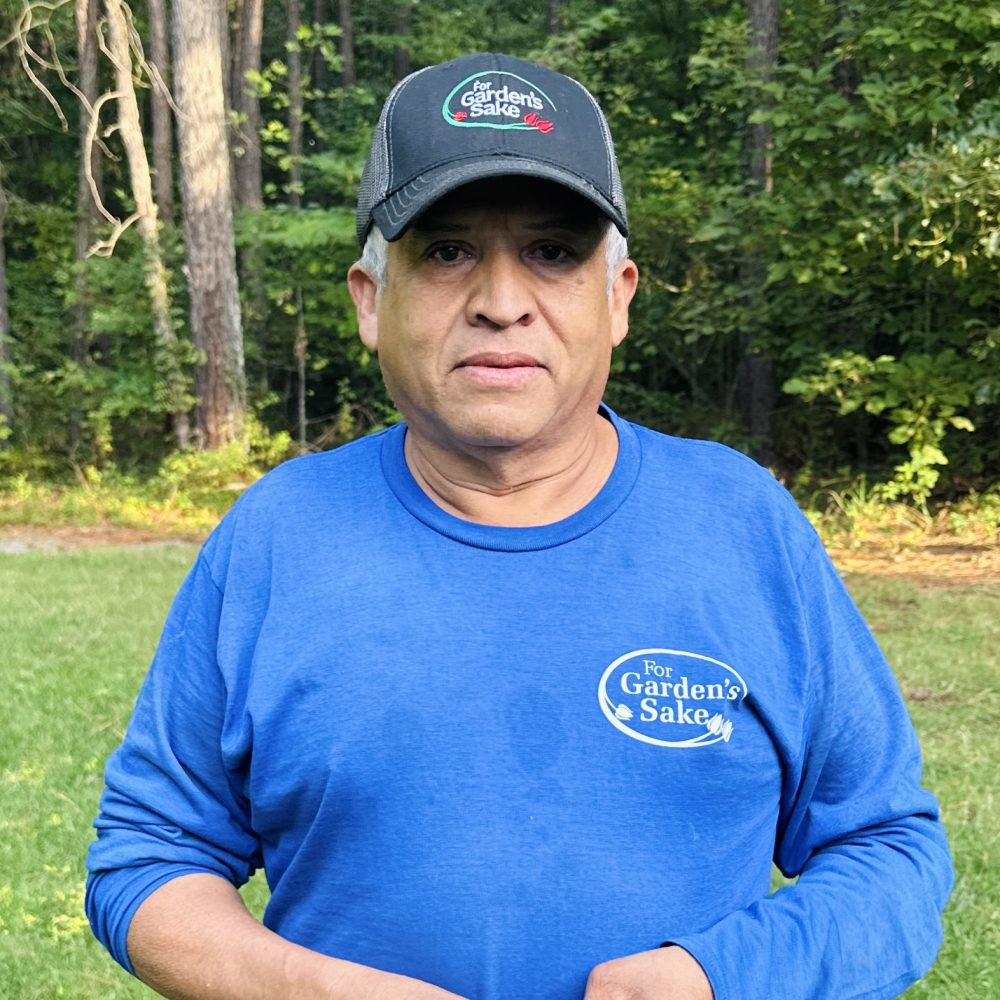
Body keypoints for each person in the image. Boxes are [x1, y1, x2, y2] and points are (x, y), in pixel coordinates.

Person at [86, 52, 953, 1000]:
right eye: (447, 252)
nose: (503, 303)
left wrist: (716, 981)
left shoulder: (744, 527)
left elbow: (889, 851)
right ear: (372, 301)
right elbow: (148, 859)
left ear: (617, 298)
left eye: (553, 252)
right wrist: (313, 990)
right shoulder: (276, 540)